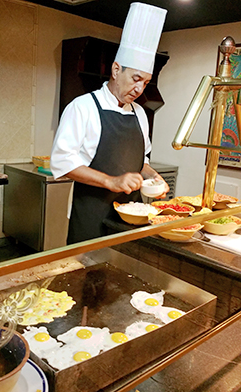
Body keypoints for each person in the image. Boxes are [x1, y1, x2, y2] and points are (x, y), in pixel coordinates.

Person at [51, 2, 169, 245]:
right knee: (84, 278)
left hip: (129, 217)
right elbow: (63, 163)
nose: (139, 89)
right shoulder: (83, 107)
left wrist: (153, 176)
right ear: (116, 70)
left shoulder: (139, 113)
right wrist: (111, 181)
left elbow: (141, 161)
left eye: (145, 83)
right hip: (90, 214)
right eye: (136, 78)